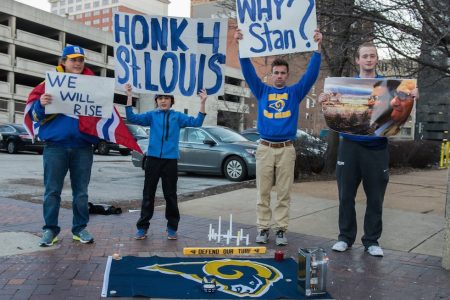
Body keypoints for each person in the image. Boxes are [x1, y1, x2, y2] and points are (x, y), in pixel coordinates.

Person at [234, 28, 322, 246]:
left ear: (287, 75)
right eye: (277, 72)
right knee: (262, 192)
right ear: (271, 74)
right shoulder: (262, 90)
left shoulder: (295, 93)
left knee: (283, 193)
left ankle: (281, 229)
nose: (280, 76)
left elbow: (310, 75)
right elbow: (248, 71)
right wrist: (240, 45)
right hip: (264, 148)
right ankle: (263, 228)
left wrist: (317, 48)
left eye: (283, 72)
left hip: (286, 149)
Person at [331, 42, 417, 257]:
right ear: (357, 60)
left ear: (376, 60)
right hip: (349, 146)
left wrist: (412, 98)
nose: (369, 59)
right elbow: (334, 111)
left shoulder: (389, 87)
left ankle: (371, 241)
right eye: (365, 56)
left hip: (377, 148)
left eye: (372, 56)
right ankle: (345, 238)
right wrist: (326, 101)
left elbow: (401, 112)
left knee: (375, 198)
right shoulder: (345, 85)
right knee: (345, 196)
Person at [29, 45, 98, 246]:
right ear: (63, 62)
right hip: (55, 147)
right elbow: (35, 115)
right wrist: (40, 104)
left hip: (83, 147)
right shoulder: (48, 84)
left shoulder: (93, 85)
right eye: (73, 59)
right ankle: (50, 229)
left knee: (81, 192)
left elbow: (100, 113)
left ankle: (80, 229)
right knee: (52, 191)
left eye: (81, 60)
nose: (77, 63)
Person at [125, 84, 207, 240]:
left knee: (170, 195)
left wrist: (202, 102)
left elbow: (197, 122)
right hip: (153, 160)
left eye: (166, 98)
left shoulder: (177, 117)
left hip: (170, 161)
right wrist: (129, 95)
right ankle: (142, 227)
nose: (163, 101)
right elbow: (132, 118)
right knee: (148, 194)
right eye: (160, 98)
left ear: (171, 101)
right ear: (156, 100)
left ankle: (172, 228)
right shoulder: (152, 115)